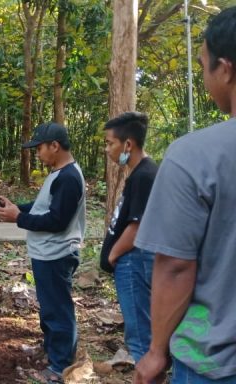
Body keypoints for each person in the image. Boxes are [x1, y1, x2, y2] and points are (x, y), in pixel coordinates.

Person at [133, 7, 236, 384]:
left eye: (204, 63)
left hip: (216, 362)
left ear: (225, 69)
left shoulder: (195, 156)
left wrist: (157, 351)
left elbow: (175, 265)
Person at [0, 122, 86, 384]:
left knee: (58, 309)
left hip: (57, 254)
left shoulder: (68, 177)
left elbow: (56, 220)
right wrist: (18, 208)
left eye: (39, 148)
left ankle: (60, 367)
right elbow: (43, 206)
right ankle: (51, 349)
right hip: (47, 253)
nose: (37, 153)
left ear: (54, 146)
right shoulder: (59, 173)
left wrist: (18, 218)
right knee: (49, 308)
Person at [99, 112, 158, 364]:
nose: (107, 149)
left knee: (138, 333)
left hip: (133, 262)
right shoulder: (138, 173)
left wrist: (113, 255)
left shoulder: (145, 175)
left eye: (110, 143)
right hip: (130, 261)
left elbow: (138, 226)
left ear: (128, 145)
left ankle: (145, 371)